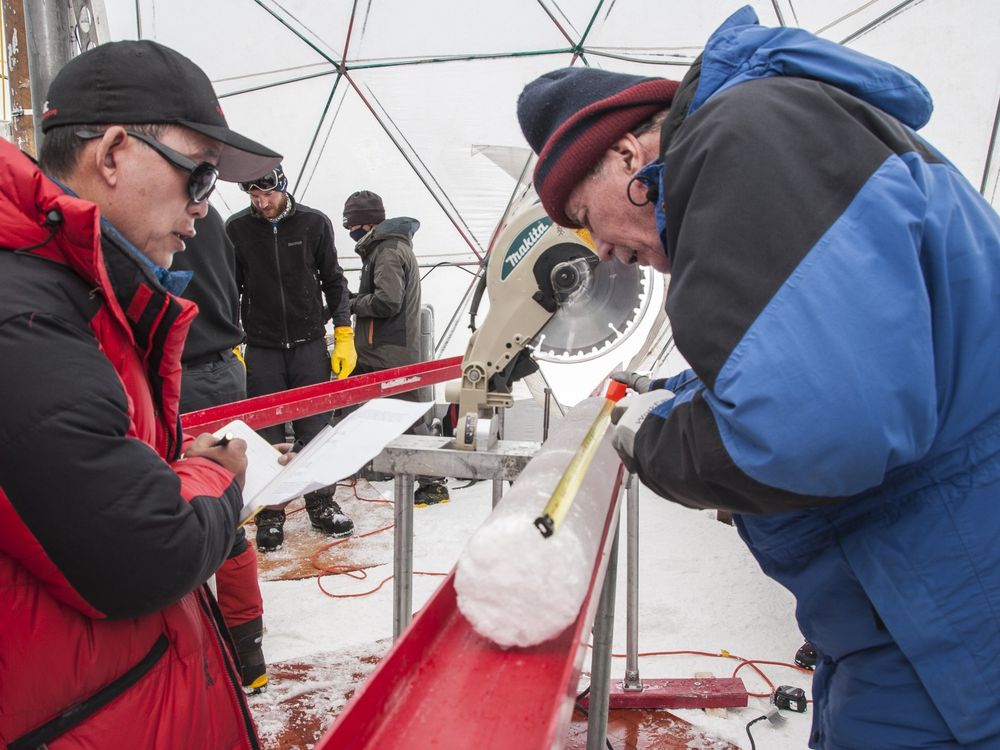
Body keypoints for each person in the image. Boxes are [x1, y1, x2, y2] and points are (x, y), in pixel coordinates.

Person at [515, 6, 1000, 749]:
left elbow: (818, 429)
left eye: (586, 216)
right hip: (905, 598)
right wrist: (679, 399)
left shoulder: (744, 135)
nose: (603, 251)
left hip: (948, 612)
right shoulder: (768, 134)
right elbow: (838, 348)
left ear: (622, 154)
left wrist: (655, 444)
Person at [0, 40, 282, 747]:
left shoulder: (73, 289)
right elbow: (148, 547)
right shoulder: (23, 309)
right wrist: (216, 473)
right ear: (115, 153)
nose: (201, 212)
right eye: (200, 179)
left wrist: (157, 461)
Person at [227, 165, 357, 551]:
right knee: (266, 433)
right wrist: (233, 340)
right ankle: (271, 512)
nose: (261, 203)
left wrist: (344, 332)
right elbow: (229, 289)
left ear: (281, 186)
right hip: (262, 346)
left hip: (309, 344)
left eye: (266, 194)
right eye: (253, 197)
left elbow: (334, 281)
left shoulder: (313, 223)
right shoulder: (237, 229)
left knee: (314, 428)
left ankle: (320, 503)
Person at [173, 204, 268, 694]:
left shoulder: (154, 212)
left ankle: (216, 657)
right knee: (227, 515)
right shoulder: (210, 218)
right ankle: (248, 651)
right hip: (226, 367)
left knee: (189, 511)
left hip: (183, 374)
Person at [342, 190, 447, 505]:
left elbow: (388, 301)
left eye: (352, 225)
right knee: (351, 405)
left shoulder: (387, 250)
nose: (350, 232)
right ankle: (345, 469)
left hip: (389, 352)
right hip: (383, 350)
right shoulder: (387, 247)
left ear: (366, 223)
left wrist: (352, 304)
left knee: (408, 418)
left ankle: (434, 482)